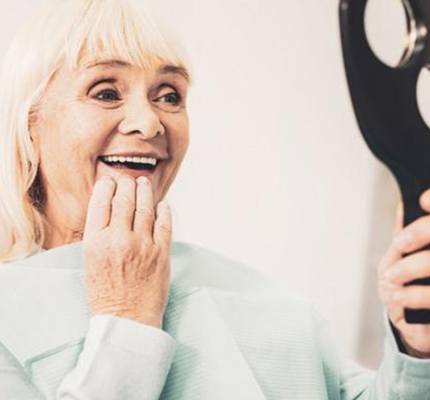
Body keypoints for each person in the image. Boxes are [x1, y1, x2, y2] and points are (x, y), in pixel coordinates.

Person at [0, 0, 429, 399]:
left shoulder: (268, 301)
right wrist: (126, 317)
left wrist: (416, 351)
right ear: (30, 124)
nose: (148, 123)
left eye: (169, 95)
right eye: (106, 92)